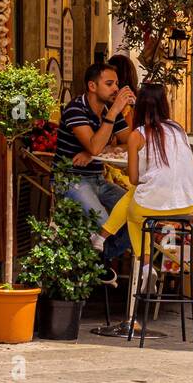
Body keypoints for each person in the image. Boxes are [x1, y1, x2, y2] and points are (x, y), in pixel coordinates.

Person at [97, 83, 193, 266]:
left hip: (156, 205)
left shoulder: (137, 135)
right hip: (190, 202)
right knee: (134, 196)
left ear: (139, 106)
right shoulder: (179, 130)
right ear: (164, 105)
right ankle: (101, 238)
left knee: (133, 213)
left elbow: (134, 179)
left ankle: (143, 264)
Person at [54, 63, 133, 257]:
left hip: (98, 179)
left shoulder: (108, 109)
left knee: (137, 213)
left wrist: (96, 152)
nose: (116, 88)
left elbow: (132, 143)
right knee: (106, 224)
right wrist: (114, 113)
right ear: (92, 86)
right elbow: (94, 145)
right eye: (109, 83)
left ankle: (100, 261)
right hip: (71, 179)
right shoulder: (75, 109)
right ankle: (98, 263)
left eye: (116, 83)